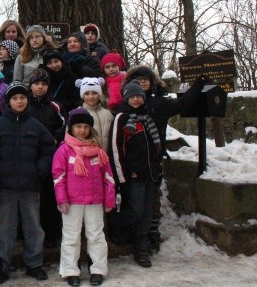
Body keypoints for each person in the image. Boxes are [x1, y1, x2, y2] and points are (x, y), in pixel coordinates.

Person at [120, 66, 206, 251]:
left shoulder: (159, 103)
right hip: (132, 162)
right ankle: (130, 233)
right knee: (134, 202)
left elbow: (183, 104)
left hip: (153, 159)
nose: (142, 82)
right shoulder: (122, 110)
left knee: (153, 199)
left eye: (146, 79)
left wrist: (198, 84)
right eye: (138, 79)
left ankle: (151, 233)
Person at [0, 81, 55, 284]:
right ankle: (2, 265)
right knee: (4, 228)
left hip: (30, 185)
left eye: (22, 97)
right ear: (8, 102)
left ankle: (34, 263)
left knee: (33, 227)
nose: (19, 101)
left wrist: (40, 169)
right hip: (5, 186)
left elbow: (48, 149)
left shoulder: (35, 126)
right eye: (14, 98)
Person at [53, 107, 115, 287]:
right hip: (72, 202)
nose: (82, 130)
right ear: (71, 128)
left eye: (85, 127)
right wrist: (61, 198)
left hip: (95, 200)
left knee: (96, 236)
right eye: (78, 126)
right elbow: (58, 176)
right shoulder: (64, 150)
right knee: (71, 237)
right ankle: (71, 270)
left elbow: (108, 176)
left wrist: (109, 198)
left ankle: (98, 269)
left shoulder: (97, 151)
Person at [108, 80, 161, 268]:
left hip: (150, 174)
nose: (136, 99)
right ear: (126, 98)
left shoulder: (146, 118)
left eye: (139, 96)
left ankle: (141, 248)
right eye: (132, 96)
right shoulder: (122, 118)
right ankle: (113, 223)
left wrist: (157, 169)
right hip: (133, 175)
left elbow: (154, 148)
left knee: (147, 213)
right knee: (136, 211)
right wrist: (121, 176)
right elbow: (116, 148)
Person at [28, 67, 67, 249]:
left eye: (43, 84)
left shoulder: (55, 106)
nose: (40, 87)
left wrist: (54, 138)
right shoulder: (25, 105)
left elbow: (64, 126)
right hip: (30, 156)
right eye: (36, 84)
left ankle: (52, 235)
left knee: (51, 197)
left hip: (51, 156)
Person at [76, 77, 113, 151]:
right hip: (87, 158)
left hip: (107, 157)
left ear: (99, 94)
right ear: (82, 95)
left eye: (94, 93)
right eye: (86, 93)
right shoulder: (77, 114)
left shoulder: (108, 114)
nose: (91, 97)